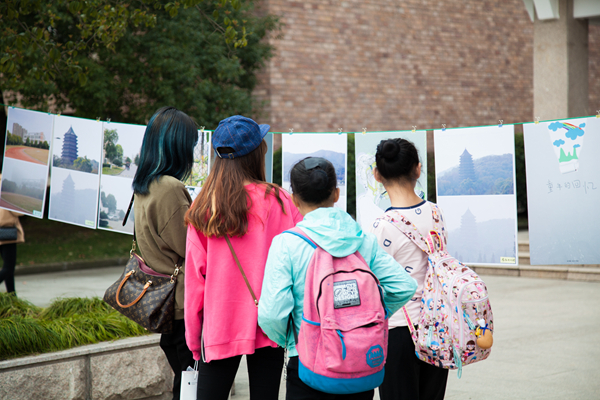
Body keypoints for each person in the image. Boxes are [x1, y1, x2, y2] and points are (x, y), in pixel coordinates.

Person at [258, 156, 418, 400]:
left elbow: (271, 314)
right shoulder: (363, 240)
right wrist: (367, 319)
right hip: (360, 362)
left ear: (294, 199)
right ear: (336, 193)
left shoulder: (286, 244)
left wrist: (292, 340)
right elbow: (404, 286)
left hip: (308, 364)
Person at [184, 115, 302, 400]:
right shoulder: (280, 200)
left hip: (220, 325)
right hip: (271, 322)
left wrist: (194, 339)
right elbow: (298, 264)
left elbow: (195, 281)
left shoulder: (204, 206)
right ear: (256, 154)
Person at [368, 138, 449, 400]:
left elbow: (374, 284)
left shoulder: (382, 226)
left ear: (377, 175)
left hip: (398, 330)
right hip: (437, 324)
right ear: (418, 169)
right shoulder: (436, 213)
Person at [131, 106, 198, 400]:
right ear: (177, 146)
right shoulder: (170, 188)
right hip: (183, 305)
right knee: (192, 386)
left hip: (165, 303)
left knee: (184, 383)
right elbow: (191, 249)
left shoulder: (145, 183)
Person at [0, 206, 24, 295]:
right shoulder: (7, 201)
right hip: (8, 235)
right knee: (8, 268)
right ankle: (12, 295)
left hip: (3, 235)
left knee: (8, 269)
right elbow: (19, 212)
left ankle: (12, 295)